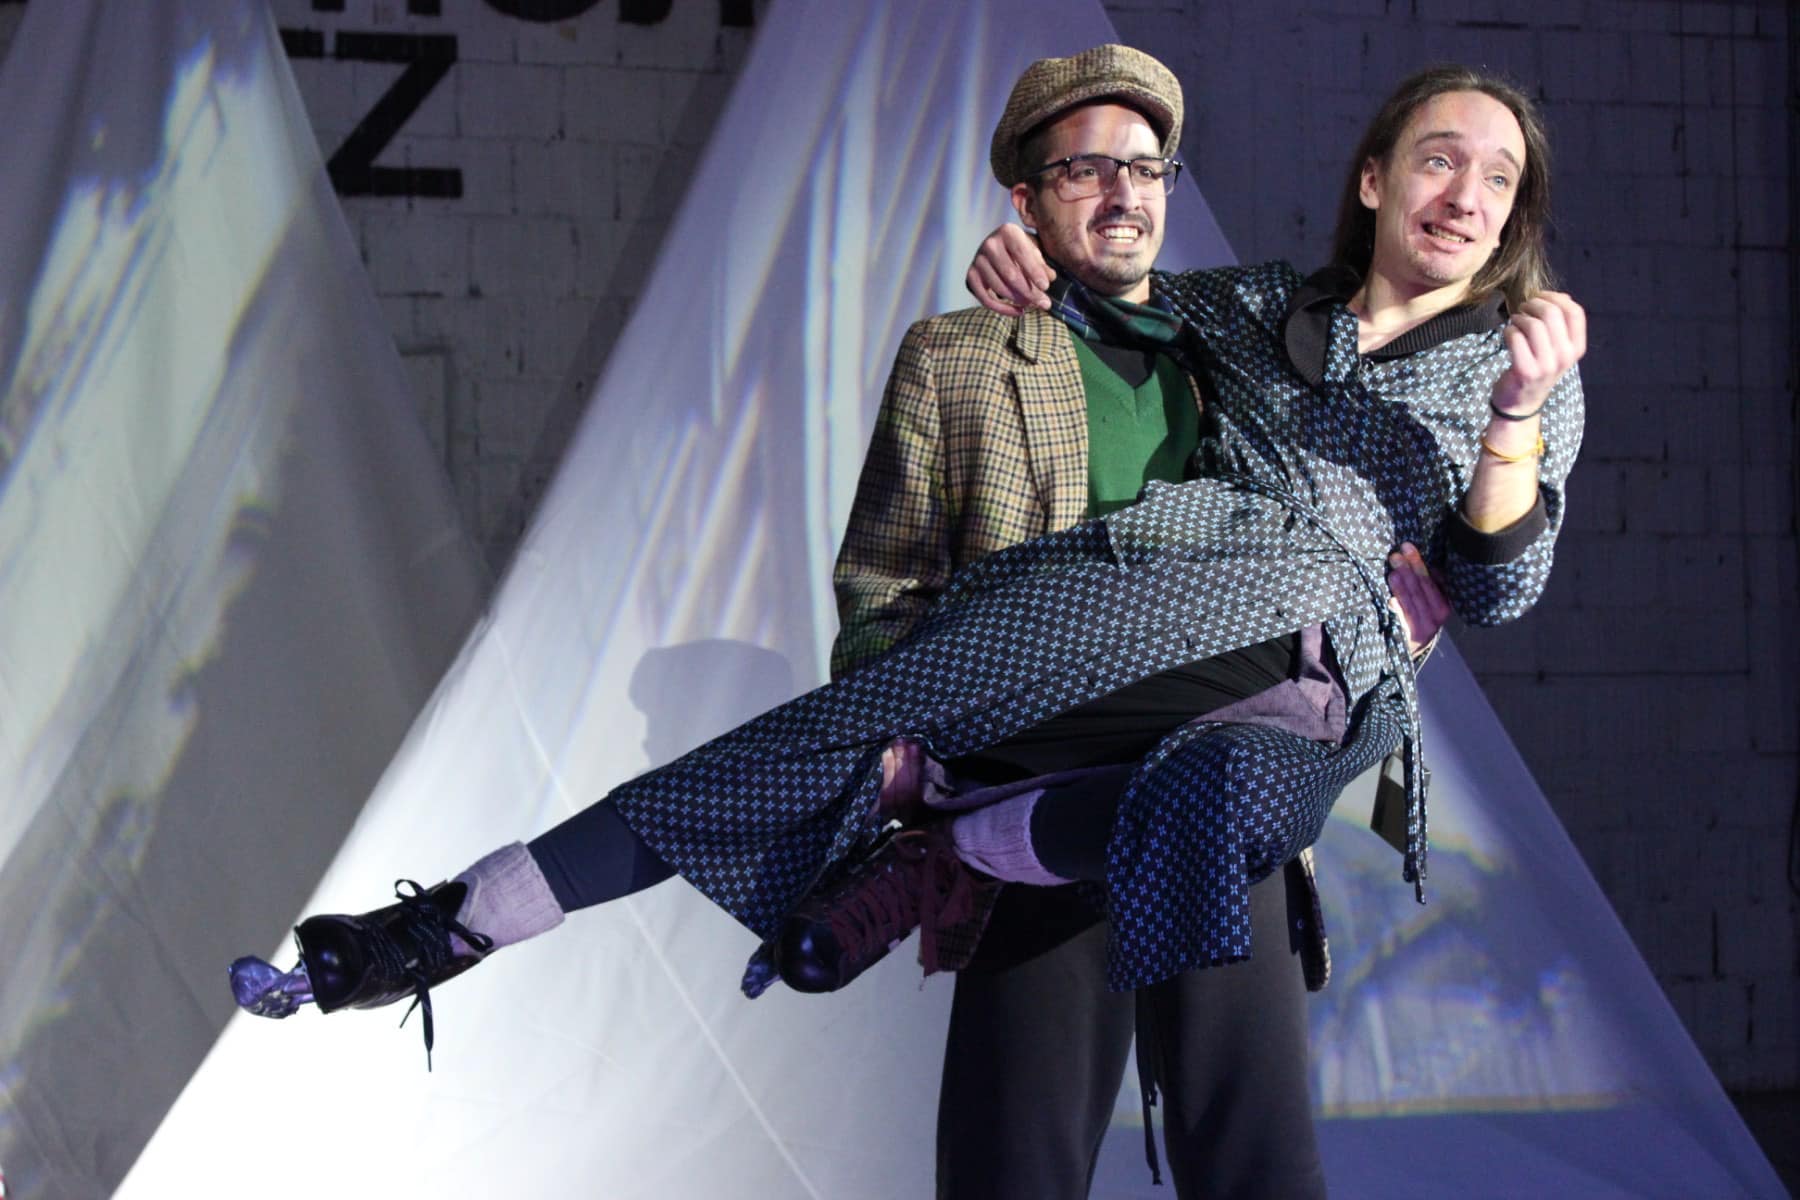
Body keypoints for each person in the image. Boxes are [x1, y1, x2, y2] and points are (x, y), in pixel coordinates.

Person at [229, 47, 1582, 1200]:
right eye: (1439, 158)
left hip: (1278, 690)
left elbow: (1500, 583)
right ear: (1374, 178)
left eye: (1497, 176)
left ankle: (949, 839)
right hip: (1097, 640)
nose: (1465, 192)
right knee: (822, 747)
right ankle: (454, 923)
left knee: (1230, 864)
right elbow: (1095, 319)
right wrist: (1027, 262)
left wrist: (1513, 421)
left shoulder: (1508, 366)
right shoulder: (1237, 313)